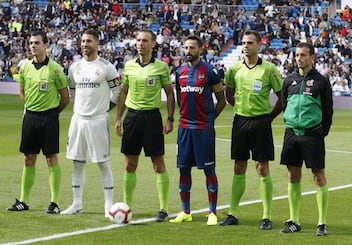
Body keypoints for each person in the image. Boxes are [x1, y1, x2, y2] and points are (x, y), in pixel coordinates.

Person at [219, 30, 283, 230]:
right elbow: (228, 93)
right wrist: (237, 106)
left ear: (259, 46)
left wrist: (269, 117)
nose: (246, 46)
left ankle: (266, 216)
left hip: (260, 123)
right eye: (244, 43)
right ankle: (233, 213)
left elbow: (282, 97)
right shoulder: (235, 68)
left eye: (250, 43)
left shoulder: (269, 69)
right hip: (240, 122)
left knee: (262, 167)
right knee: (239, 166)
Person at [114, 29, 175, 222]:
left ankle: (163, 208)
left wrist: (170, 118)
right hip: (132, 118)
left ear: (153, 44)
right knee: (130, 164)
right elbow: (123, 92)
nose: (140, 43)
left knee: (158, 164)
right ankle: (126, 207)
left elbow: (170, 94)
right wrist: (118, 119)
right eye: (138, 40)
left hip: (152, 118)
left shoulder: (161, 67)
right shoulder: (129, 66)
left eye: (145, 40)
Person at [61, 29, 122, 217]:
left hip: (98, 121)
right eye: (83, 41)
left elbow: (118, 94)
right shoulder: (74, 68)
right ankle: (77, 203)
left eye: (89, 41)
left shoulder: (106, 67)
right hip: (78, 120)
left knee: (103, 163)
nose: (85, 44)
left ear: (97, 44)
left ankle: (108, 205)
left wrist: (104, 109)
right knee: (77, 163)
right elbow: (72, 90)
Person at [7, 31, 69, 214]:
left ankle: (55, 202)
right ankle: (24, 201)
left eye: (37, 43)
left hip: (49, 117)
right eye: (31, 43)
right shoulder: (25, 67)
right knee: (28, 158)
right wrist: (29, 106)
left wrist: (52, 113)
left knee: (51, 159)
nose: (33, 46)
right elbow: (22, 90)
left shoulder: (55, 69)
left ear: (45, 45)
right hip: (30, 117)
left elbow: (65, 98)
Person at [169, 35, 226, 225]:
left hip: (203, 129)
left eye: (192, 47)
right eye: (185, 47)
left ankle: (212, 213)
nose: (188, 51)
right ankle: (186, 211)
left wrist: (209, 119)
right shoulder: (180, 71)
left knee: (208, 170)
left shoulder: (210, 72)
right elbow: (179, 97)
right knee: (183, 169)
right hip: (184, 128)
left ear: (201, 49)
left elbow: (222, 100)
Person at [279, 42, 333, 236]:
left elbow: (328, 110)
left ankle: (322, 223)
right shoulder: (289, 80)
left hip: (313, 134)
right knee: (293, 176)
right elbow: (285, 104)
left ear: (312, 57)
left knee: (318, 176)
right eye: (297, 55)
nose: (299, 58)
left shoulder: (321, 81)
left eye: (303, 55)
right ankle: (294, 221)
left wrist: (321, 132)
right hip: (292, 134)